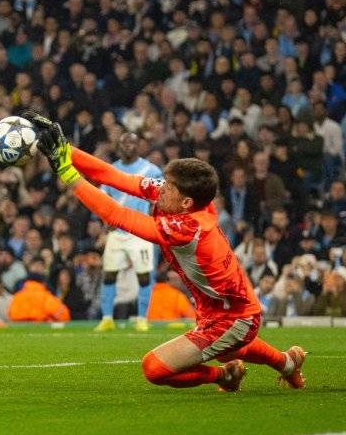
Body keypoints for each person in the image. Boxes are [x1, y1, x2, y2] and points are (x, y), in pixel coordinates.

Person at [27, 111, 306, 391]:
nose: (161, 189)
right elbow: (116, 177)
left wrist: (67, 173)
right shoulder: (185, 199)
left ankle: (225, 375)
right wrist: (66, 149)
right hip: (216, 308)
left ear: (186, 203)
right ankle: (286, 362)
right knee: (227, 348)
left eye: (168, 187)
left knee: (155, 368)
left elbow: (116, 215)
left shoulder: (188, 227)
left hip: (236, 315)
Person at [95, 132, 162, 333]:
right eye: (124, 142)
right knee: (109, 274)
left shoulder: (151, 170)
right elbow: (102, 196)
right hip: (117, 230)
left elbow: (162, 195)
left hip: (140, 229)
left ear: (139, 145)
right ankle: (107, 318)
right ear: (119, 145)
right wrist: (105, 218)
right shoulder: (111, 169)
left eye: (132, 142)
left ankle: (142, 318)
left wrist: (153, 212)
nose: (128, 146)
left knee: (144, 276)